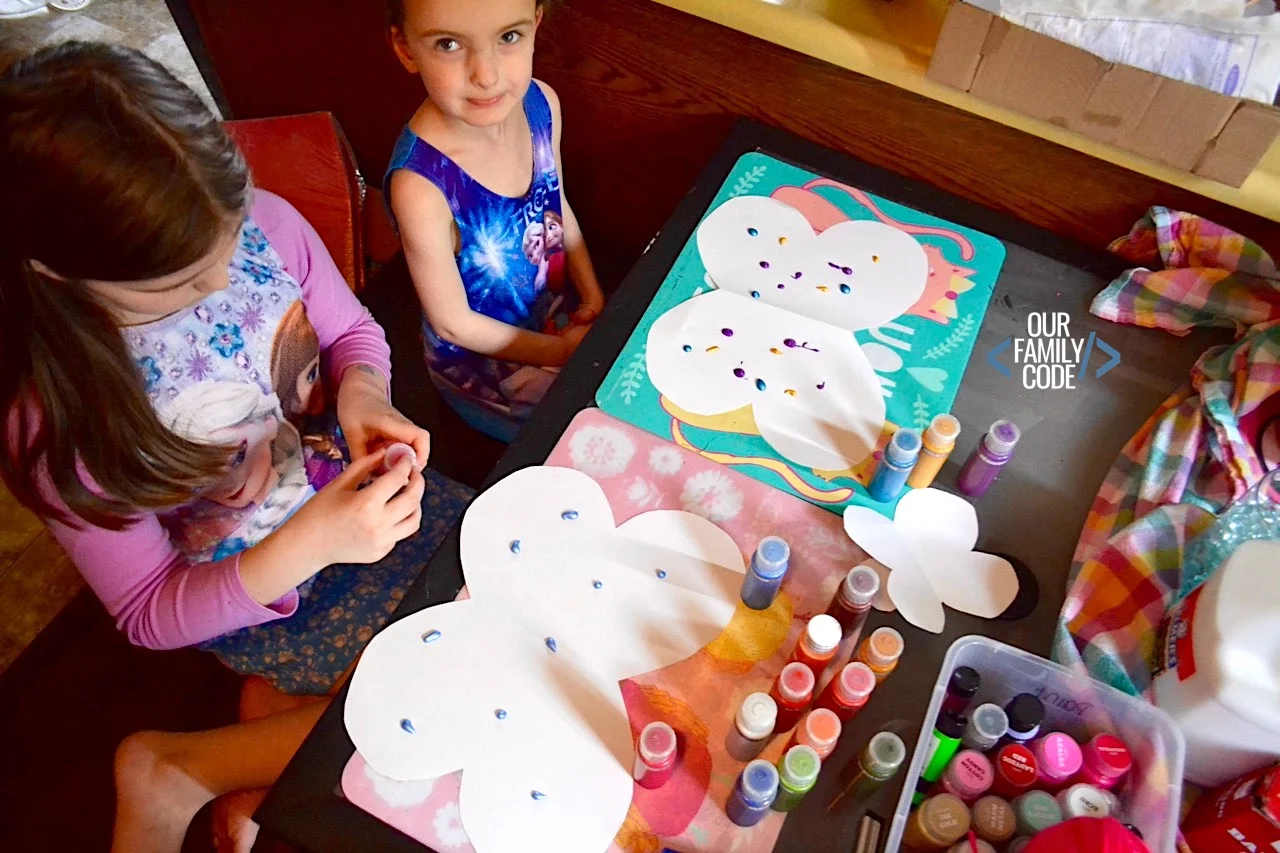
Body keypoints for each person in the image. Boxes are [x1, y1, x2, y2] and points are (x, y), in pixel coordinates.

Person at [0, 42, 474, 851]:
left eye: (228, 241)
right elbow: (150, 610)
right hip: (257, 594)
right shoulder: (60, 415)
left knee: (505, 602)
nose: (224, 282)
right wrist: (312, 541)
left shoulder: (267, 226)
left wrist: (362, 395)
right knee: (446, 706)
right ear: (55, 272)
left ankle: (261, 736)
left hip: (349, 497)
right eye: (179, 283)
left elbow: (353, 333)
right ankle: (178, 766)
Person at [385, 0, 606, 438]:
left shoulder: (542, 104)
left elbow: (556, 205)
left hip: (556, 318)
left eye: (508, 37)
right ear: (406, 49)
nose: (485, 75)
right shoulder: (421, 187)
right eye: (448, 44)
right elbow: (453, 322)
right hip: (484, 370)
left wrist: (593, 295)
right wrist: (562, 351)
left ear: (536, 23)